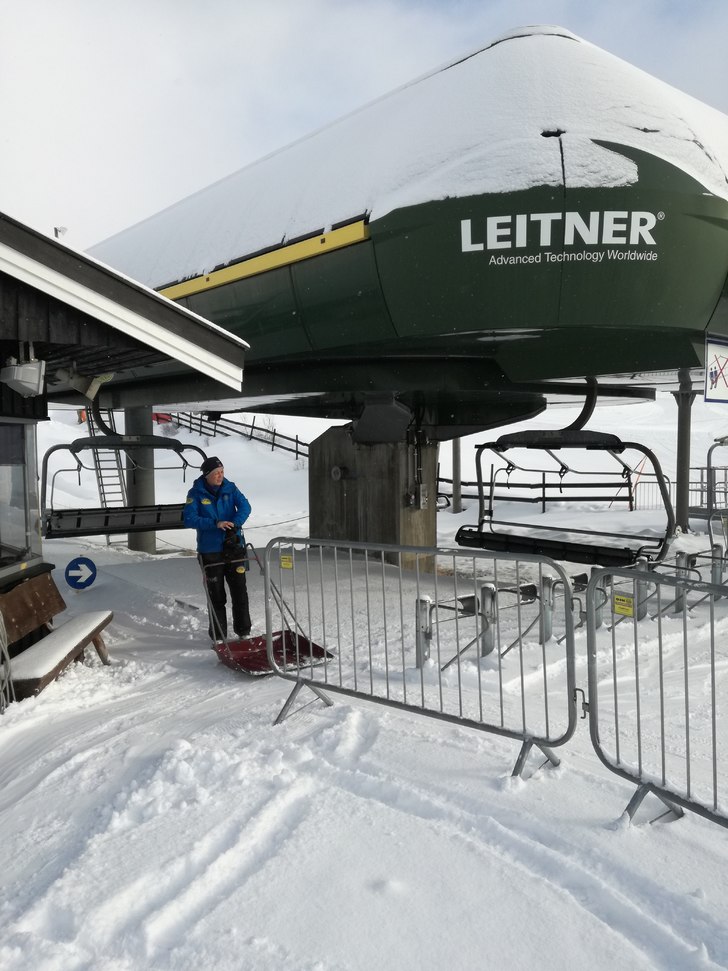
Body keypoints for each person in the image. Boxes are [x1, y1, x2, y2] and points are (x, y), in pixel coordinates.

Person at [183, 456, 252, 640]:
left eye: (222, 472)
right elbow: (189, 519)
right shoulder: (196, 493)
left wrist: (234, 525)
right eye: (216, 473)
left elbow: (245, 507)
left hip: (234, 546)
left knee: (240, 592)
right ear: (207, 475)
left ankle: (244, 632)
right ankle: (219, 636)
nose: (220, 476)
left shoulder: (231, 488)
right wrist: (215, 523)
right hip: (210, 551)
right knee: (216, 596)